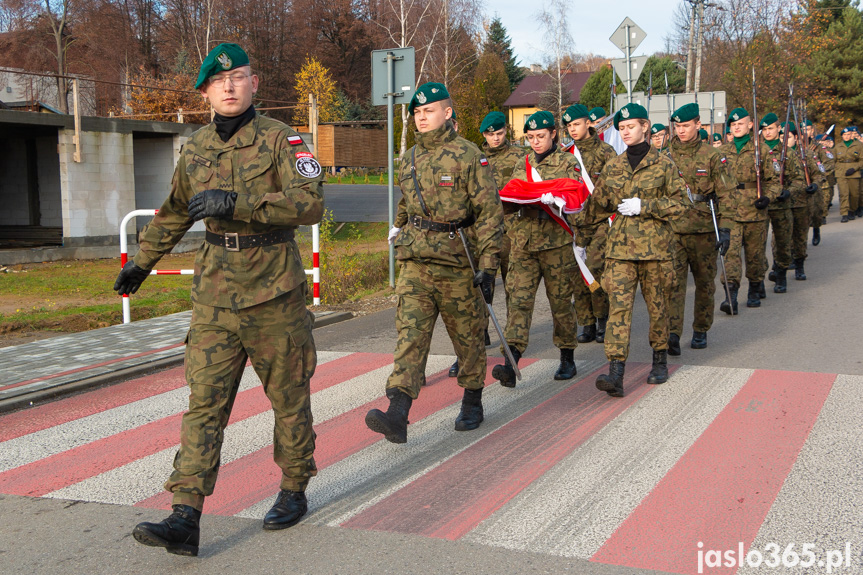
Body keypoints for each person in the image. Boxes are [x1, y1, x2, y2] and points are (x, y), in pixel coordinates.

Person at [115, 43, 325, 555]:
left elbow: (312, 204)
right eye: (219, 81)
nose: (229, 87)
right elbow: (173, 212)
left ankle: (294, 488)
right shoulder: (196, 148)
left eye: (239, 77)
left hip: (273, 292)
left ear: (255, 84)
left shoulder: (283, 139)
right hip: (213, 296)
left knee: (288, 400)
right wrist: (142, 262)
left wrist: (241, 202)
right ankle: (185, 514)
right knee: (203, 405)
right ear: (206, 91)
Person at [367, 82, 503, 444]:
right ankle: (397, 412)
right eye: (416, 112)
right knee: (410, 337)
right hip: (416, 262)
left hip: (457, 262)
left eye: (428, 111)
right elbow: (407, 202)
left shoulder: (469, 155)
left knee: (468, 339)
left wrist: (488, 267)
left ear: (447, 112)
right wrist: (397, 228)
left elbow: (490, 213)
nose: (421, 117)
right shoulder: (408, 157)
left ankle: (472, 399)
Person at [576, 103, 687, 397]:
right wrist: (576, 230)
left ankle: (659, 360)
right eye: (621, 128)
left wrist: (646, 206)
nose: (625, 132)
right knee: (618, 311)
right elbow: (597, 206)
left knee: (657, 307)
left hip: (656, 251)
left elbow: (681, 204)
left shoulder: (664, 164)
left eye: (631, 127)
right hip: (621, 251)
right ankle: (616, 372)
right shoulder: (614, 166)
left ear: (645, 127)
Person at [492, 110, 584, 387]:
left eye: (541, 136)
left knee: (560, 304)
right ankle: (511, 360)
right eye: (530, 137)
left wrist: (557, 200)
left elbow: (577, 197)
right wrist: (511, 224)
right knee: (518, 301)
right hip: (524, 244)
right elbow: (511, 195)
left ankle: (567, 356)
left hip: (556, 243)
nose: (535, 142)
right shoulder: (524, 163)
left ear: (554, 134)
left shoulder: (568, 162)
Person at [447, 111, 524, 378]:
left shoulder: (520, 157)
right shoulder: (472, 157)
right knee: (477, 294)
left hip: (512, 234)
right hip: (481, 236)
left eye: (499, 133)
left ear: (506, 132)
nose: (494, 138)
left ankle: (511, 347)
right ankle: (473, 348)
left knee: (514, 292)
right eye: (490, 134)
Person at [666, 103, 736, 354]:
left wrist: (726, 229)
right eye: (678, 126)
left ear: (698, 124)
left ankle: (700, 329)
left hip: (704, 229)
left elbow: (727, 195)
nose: (681, 131)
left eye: (686, 126)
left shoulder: (712, 156)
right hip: (672, 229)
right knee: (671, 285)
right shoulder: (664, 155)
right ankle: (672, 334)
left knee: (705, 284)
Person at [561, 103, 616, 345]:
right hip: (574, 225)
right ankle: (587, 322)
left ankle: (603, 318)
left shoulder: (606, 151)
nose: (572, 129)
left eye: (576, 124)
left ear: (588, 123)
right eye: (569, 126)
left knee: (595, 269)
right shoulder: (565, 155)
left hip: (600, 222)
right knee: (576, 275)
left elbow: (613, 187)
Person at [718, 108, 780, 314]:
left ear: (750, 125)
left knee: (754, 254)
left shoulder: (761, 150)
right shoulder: (722, 152)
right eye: (733, 125)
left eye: (740, 124)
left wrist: (767, 197)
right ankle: (731, 294)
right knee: (730, 254)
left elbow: (774, 182)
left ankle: (755, 286)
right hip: (730, 212)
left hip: (754, 210)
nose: (736, 127)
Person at [760, 113, 797, 296]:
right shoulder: (756, 151)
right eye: (764, 129)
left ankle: (781, 274)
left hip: (781, 205)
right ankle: (757, 279)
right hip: (762, 204)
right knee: (757, 244)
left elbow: (799, 179)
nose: (767, 132)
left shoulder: (788, 153)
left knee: (782, 242)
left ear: (778, 129)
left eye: (771, 129)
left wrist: (789, 191)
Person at [835, 126, 863, 222]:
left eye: (848, 134)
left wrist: (855, 168)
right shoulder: (838, 146)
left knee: (854, 194)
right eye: (844, 135)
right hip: (841, 171)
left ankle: (852, 210)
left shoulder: (858, 145)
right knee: (843, 193)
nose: (846, 136)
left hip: (853, 171)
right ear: (842, 136)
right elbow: (833, 160)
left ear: (851, 135)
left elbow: (861, 160)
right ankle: (844, 213)